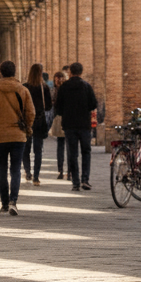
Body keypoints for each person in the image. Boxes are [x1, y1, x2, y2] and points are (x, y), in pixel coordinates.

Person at [0, 61, 36, 215]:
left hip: (0, 136)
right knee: (15, 169)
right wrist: (26, 126)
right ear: (14, 72)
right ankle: (14, 200)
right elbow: (31, 112)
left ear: (1, 72)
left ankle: (4, 204)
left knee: (1, 169)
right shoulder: (23, 90)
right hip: (18, 136)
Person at [53, 62, 98, 190]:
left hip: (69, 125)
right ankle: (85, 179)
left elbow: (58, 108)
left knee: (72, 154)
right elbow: (93, 104)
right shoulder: (86, 86)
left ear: (71, 72)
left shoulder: (64, 87)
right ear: (81, 72)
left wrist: (66, 113)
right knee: (86, 152)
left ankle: (75, 182)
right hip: (84, 125)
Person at [22, 63, 53, 185]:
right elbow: (49, 106)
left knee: (26, 149)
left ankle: (27, 172)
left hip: (27, 121)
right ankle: (36, 177)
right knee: (38, 150)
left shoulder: (24, 87)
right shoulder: (44, 87)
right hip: (39, 121)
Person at [50, 71, 67, 179]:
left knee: (64, 146)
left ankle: (64, 170)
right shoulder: (57, 90)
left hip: (63, 119)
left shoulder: (58, 91)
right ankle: (62, 170)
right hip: (63, 119)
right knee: (62, 145)